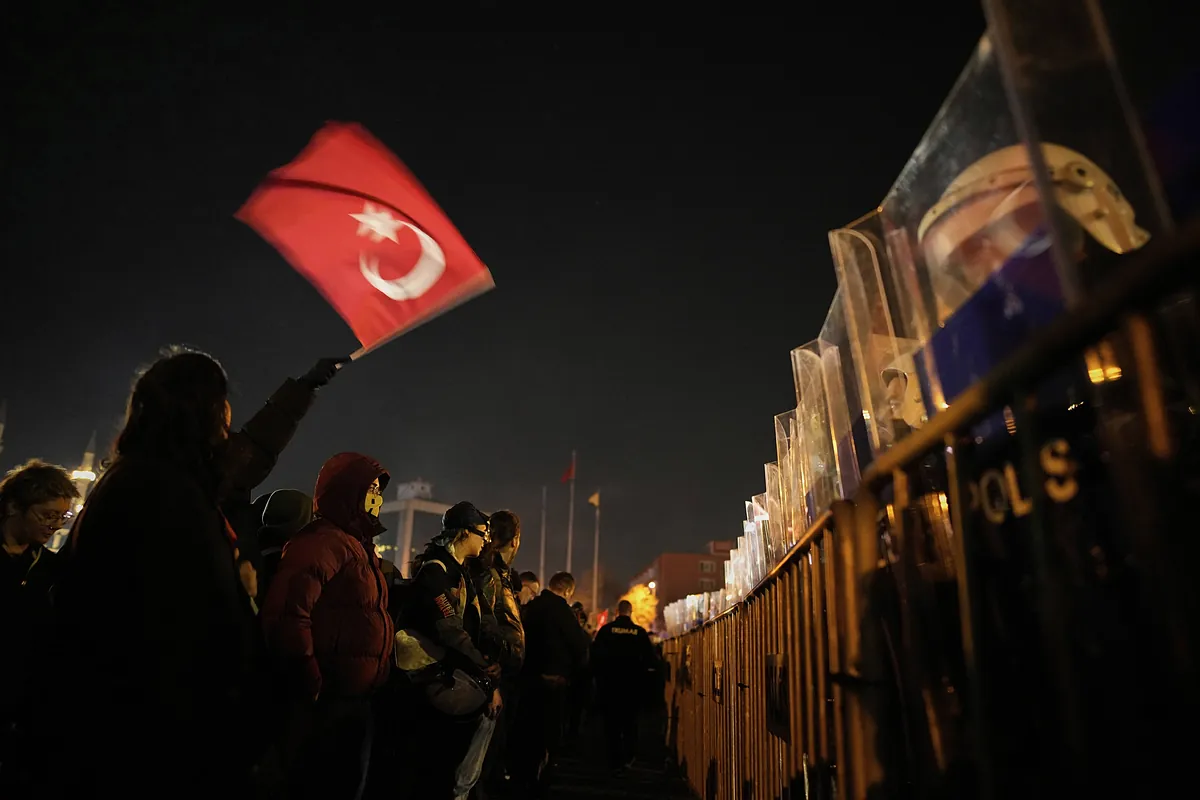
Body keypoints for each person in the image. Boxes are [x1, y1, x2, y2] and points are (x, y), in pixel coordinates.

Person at [48, 348, 270, 797]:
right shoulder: (163, 493)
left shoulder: (155, 480)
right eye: (221, 402)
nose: (228, 417)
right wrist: (238, 591)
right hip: (154, 749)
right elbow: (179, 631)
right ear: (200, 410)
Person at [260, 453, 394, 800]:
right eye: (370, 489)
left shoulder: (360, 547)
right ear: (348, 491)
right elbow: (287, 616)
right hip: (326, 709)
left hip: (354, 705)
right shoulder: (323, 542)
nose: (377, 499)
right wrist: (311, 683)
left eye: (379, 491)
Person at [393, 501, 501, 800]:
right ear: (464, 534)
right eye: (482, 533)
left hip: (446, 676)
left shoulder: (458, 572)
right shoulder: (437, 573)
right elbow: (450, 630)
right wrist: (484, 667)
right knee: (434, 771)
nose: (485, 541)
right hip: (431, 684)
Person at [0, 461, 78, 796]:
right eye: (47, 515)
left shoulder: (49, 570)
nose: (55, 527)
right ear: (14, 506)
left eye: (62, 517)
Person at [517, 571, 590, 793]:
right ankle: (540, 781)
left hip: (528, 679)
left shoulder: (532, 607)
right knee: (548, 734)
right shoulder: (562, 611)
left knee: (526, 733)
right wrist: (570, 676)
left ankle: (522, 779)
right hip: (553, 682)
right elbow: (579, 646)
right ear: (568, 591)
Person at [469, 509, 525, 795]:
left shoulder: (498, 574)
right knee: (480, 767)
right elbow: (484, 628)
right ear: (514, 540)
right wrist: (492, 679)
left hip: (496, 678)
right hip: (491, 680)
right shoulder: (491, 575)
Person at [591, 599, 656, 769]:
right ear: (631, 612)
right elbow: (650, 659)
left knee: (611, 722)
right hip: (632, 686)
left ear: (617, 612)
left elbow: (595, 656)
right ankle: (628, 756)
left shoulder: (606, 631)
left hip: (609, 684)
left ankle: (613, 757)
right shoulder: (639, 632)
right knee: (630, 722)